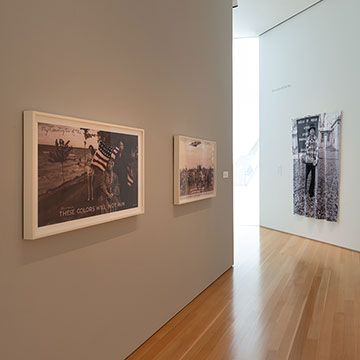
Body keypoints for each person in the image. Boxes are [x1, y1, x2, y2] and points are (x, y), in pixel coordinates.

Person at [304, 126, 318, 198]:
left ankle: (311, 192)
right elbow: (307, 148)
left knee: (313, 178)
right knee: (305, 176)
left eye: (313, 130)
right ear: (309, 131)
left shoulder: (316, 139)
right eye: (311, 130)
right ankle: (305, 190)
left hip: (314, 161)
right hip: (308, 161)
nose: (312, 131)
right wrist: (310, 142)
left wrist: (316, 160)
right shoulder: (307, 139)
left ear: (314, 131)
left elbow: (316, 150)